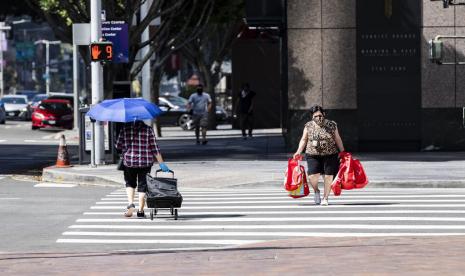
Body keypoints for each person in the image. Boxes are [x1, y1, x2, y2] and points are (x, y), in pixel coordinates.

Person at [115, 120, 170, 218]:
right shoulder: (148, 129)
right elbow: (155, 148)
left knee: (130, 183)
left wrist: (125, 147)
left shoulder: (124, 128)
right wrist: (162, 164)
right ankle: (140, 211)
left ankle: (131, 203)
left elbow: (118, 145)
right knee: (143, 186)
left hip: (129, 162)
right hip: (145, 162)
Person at [293, 105, 345, 206]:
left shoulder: (332, 125)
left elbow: (337, 138)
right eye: (316, 116)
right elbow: (304, 140)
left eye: (320, 115)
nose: (319, 118)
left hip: (330, 154)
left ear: (324, 114)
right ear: (312, 116)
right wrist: (298, 151)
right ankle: (316, 191)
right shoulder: (308, 126)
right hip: (313, 154)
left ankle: (325, 198)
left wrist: (343, 152)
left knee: (328, 176)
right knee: (312, 176)